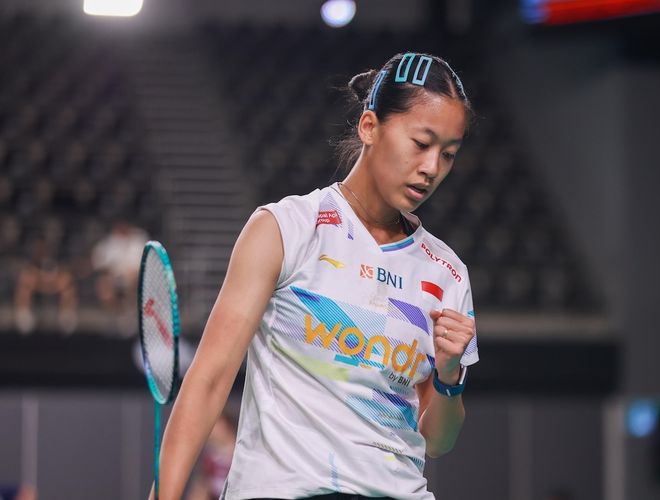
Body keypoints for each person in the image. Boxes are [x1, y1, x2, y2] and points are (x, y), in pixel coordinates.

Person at [152, 52, 479, 500]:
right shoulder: (287, 229)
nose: (432, 168)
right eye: (421, 143)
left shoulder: (446, 272)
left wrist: (448, 374)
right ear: (369, 127)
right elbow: (208, 381)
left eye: (449, 154)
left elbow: (438, 442)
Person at [90, 219, 148, 334]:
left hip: (136, 278)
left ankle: (130, 316)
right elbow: (98, 262)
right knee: (104, 286)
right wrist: (110, 272)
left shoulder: (139, 238)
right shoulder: (110, 241)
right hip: (115, 278)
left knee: (132, 278)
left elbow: (144, 263)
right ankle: (117, 316)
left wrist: (130, 273)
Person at [13, 237, 78, 334]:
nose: (42, 250)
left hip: (55, 282)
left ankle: (67, 314)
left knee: (66, 281)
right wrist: (41, 276)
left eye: (44, 247)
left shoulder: (57, 257)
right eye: (39, 248)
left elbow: (63, 270)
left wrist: (51, 278)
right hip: (37, 283)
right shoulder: (33, 259)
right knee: (26, 280)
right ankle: (24, 314)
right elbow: (29, 270)